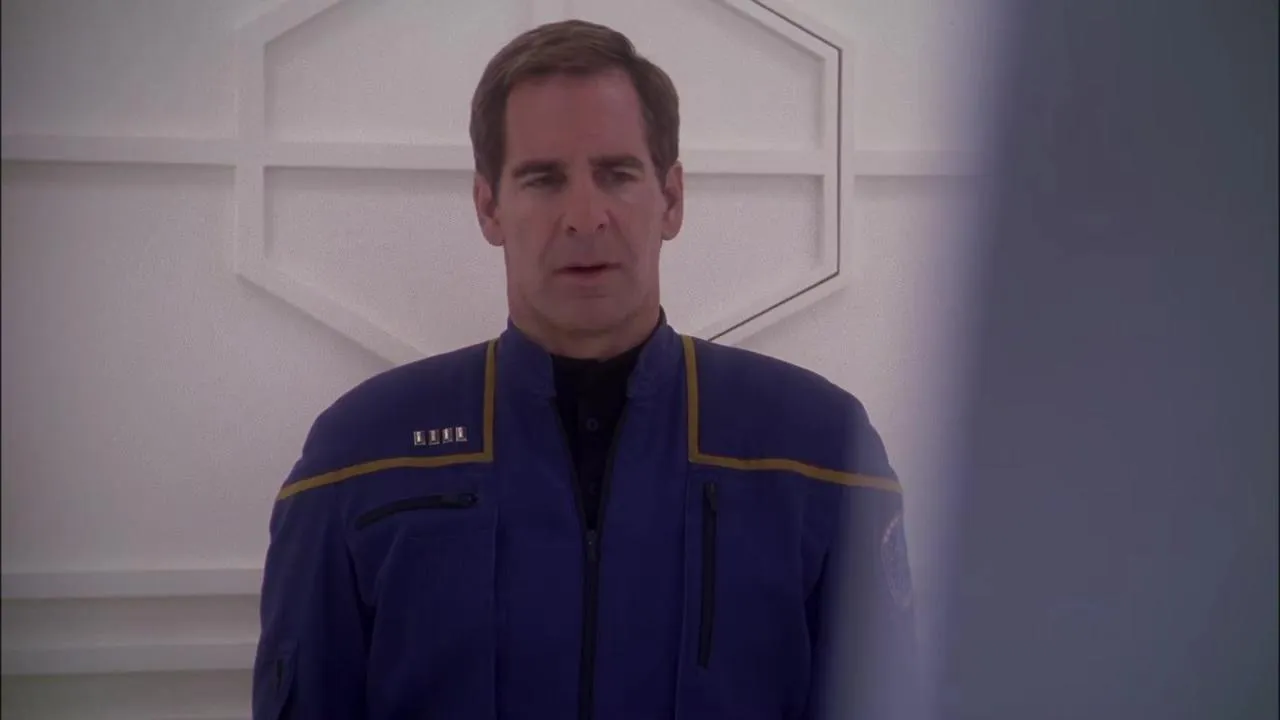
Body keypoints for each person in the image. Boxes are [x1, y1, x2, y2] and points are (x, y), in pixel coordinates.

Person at [252, 19, 917, 720]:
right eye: (543, 179)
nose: (584, 216)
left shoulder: (821, 450)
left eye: (616, 174)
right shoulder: (357, 457)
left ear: (671, 199)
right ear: (488, 207)